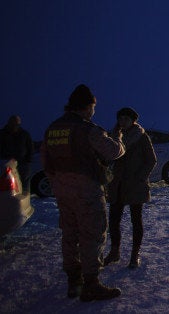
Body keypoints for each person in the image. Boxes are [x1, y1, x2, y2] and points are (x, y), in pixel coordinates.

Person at [40, 84, 125, 301]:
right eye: (93, 107)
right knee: (92, 234)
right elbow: (113, 151)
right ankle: (91, 283)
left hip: (62, 192)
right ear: (87, 107)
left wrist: (59, 183)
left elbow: (46, 162)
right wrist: (119, 138)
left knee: (69, 235)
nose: (94, 111)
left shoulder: (53, 129)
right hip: (87, 191)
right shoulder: (87, 130)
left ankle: (73, 281)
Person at [104, 107, 156, 269]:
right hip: (117, 185)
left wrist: (140, 177)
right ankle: (114, 252)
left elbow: (151, 160)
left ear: (133, 120)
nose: (122, 121)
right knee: (113, 220)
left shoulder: (141, 137)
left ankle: (135, 254)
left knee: (136, 220)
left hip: (134, 185)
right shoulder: (113, 137)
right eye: (120, 118)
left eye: (126, 118)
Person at [0, 115, 34, 195]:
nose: (14, 126)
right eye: (13, 124)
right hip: (6, 164)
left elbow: (30, 148)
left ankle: (25, 201)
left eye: (17, 124)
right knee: (8, 186)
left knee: (24, 186)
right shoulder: (2, 134)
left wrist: (28, 161)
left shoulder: (24, 134)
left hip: (22, 164)